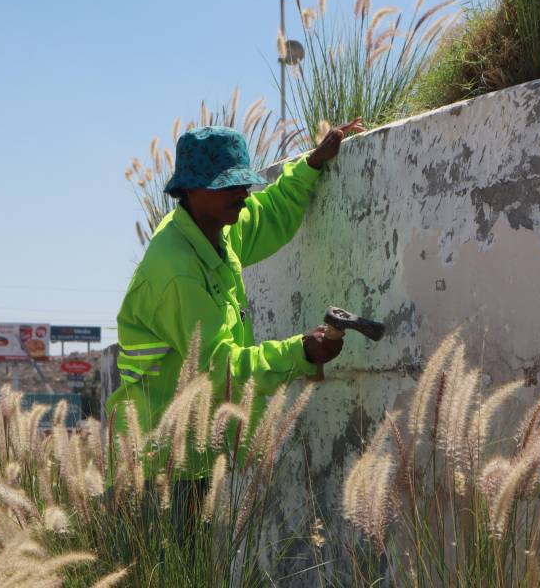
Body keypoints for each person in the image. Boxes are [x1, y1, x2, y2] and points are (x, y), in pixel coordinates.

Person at [105, 118, 365, 486]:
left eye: (243, 180)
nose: (242, 192)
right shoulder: (176, 271)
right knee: (176, 546)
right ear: (191, 190)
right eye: (227, 184)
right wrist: (300, 353)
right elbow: (220, 367)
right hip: (157, 461)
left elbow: (271, 212)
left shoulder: (215, 228)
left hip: (190, 451)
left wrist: (312, 164)